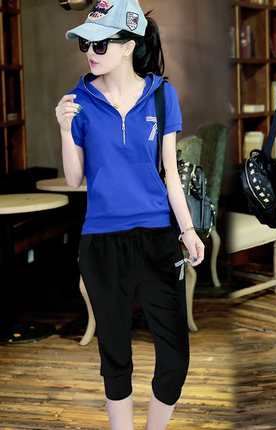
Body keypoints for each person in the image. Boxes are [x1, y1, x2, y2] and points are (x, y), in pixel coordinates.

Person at [55, 1, 204, 429]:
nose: (90, 52)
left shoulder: (162, 95)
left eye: (100, 44)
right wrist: (64, 129)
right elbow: (74, 179)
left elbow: (170, 174)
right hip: (101, 242)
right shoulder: (78, 102)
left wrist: (188, 230)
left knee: (175, 358)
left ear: (128, 46)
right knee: (115, 358)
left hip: (158, 239)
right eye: (86, 43)